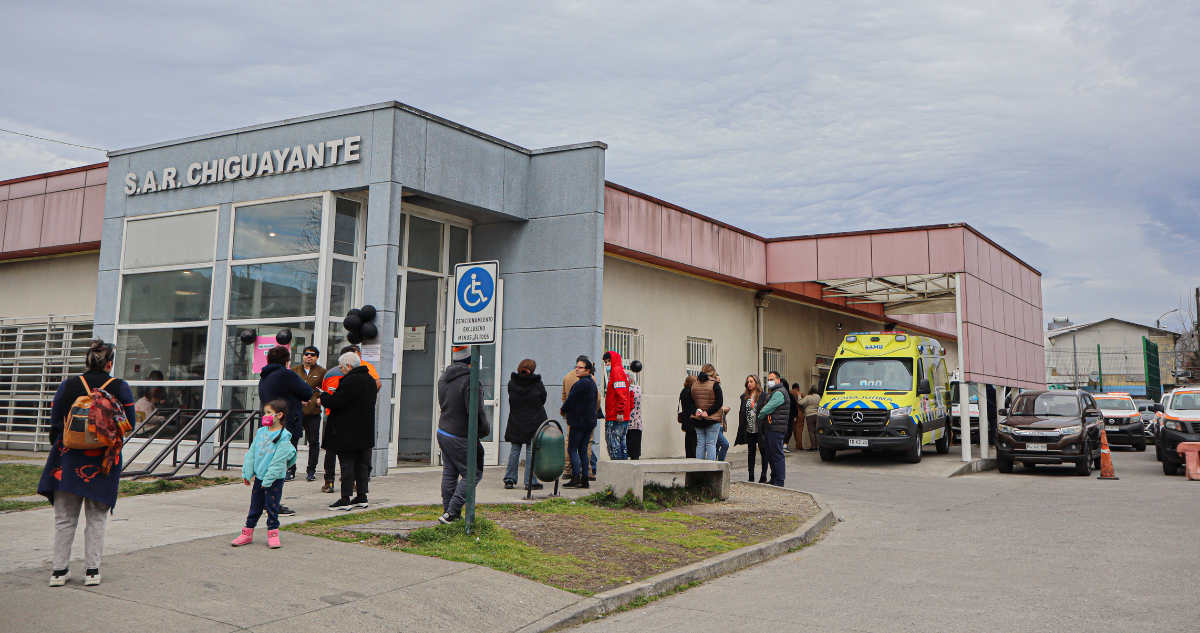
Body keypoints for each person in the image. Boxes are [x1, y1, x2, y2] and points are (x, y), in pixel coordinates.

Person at [38, 339, 136, 587]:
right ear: (110, 363)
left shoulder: (69, 385)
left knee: (64, 519)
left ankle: (59, 572)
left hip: (67, 459)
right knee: (96, 519)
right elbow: (129, 425)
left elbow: (55, 425)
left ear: (87, 361)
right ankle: (92, 571)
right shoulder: (119, 386)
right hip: (103, 461)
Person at [230, 399, 296, 549]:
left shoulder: (284, 436)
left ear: (279, 415)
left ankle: (273, 534)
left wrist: (269, 480)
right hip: (259, 478)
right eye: (264, 412)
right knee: (255, 505)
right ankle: (247, 533)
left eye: (269, 413)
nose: (265, 416)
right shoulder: (261, 432)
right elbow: (252, 453)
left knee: (272, 507)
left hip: (274, 480)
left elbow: (279, 461)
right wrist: (247, 472)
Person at [436, 346, 490, 523]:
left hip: (443, 431)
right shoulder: (471, 381)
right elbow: (475, 411)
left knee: (450, 473)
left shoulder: (443, 379)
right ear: (471, 362)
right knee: (473, 474)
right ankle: (451, 513)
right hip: (460, 435)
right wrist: (483, 430)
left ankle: (449, 511)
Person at [319, 352, 378, 511]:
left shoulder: (350, 380)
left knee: (346, 463)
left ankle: (345, 498)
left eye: (342, 367)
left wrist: (323, 397)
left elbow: (336, 402)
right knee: (361, 463)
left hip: (348, 430)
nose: (341, 370)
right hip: (364, 430)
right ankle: (361, 496)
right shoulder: (369, 380)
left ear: (349, 366)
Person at [257, 346, 312, 512]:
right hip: (286, 425)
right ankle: (273, 503)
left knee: (269, 465)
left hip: (270, 425)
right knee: (280, 467)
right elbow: (307, 392)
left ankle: (265, 501)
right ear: (286, 360)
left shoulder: (264, 376)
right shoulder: (286, 374)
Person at [503, 359, 548, 491]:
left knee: (514, 449)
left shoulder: (512, 383)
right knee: (530, 451)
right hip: (533, 421)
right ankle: (530, 482)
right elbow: (543, 399)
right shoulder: (537, 384)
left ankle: (509, 480)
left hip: (516, 420)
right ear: (533, 370)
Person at [561, 357, 598, 488]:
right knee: (583, 449)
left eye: (580, 367)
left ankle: (576, 476)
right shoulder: (592, 382)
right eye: (576, 366)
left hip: (578, 422)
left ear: (587, 370)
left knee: (572, 449)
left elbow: (570, 400)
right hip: (589, 422)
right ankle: (585, 478)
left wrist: (563, 410)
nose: (577, 369)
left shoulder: (581, 383)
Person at [291, 346, 326, 482]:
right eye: (307, 354)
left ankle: (311, 470)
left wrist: (320, 400)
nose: (309, 356)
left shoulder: (322, 372)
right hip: (296, 412)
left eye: (312, 355)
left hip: (313, 412)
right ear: (303, 356)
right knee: (292, 441)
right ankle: (291, 469)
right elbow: (289, 388)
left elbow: (326, 389)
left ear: (317, 357)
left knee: (313, 442)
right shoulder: (294, 371)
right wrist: (297, 400)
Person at [756, 371, 791, 486]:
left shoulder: (779, 393)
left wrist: (761, 414)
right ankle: (774, 479)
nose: (769, 382)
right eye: (768, 379)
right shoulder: (775, 392)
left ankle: (779, 481)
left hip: (776, 428)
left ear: (778, 380)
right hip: (772, 427)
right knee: (771, 455)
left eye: (772, 379)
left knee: (776, 455)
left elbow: (767, 409)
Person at [734, 374, 768, 482]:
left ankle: (763, 475)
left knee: (763, 450)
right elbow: (742, 412)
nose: (749, 384)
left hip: (760, 427)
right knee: (751, 451)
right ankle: (751, 475)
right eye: (748, 382)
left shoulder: (764, 395)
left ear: (757, 382)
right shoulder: (745, 396)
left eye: (751, 381)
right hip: (749, 427)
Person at [601, 351, 632, 461]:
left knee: (614, 446)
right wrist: (626, 410)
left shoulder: (616, 371)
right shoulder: (623, 371)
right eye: (605, 362)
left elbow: (621, 393)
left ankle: (617, 474)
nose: (607, 364)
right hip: (623, 415)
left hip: (615, 416)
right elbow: (629, 393)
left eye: (609, 361)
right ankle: (624, 472)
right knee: (622, 445)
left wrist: (619, 411)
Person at [691, 365, 724, 460]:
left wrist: (696, 411)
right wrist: (708, 412)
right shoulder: (715, 384)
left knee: (700, 444)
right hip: (712, 418)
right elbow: (719, 402)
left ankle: (699, 469)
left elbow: (690, 401)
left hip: (698, 418)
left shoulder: (695, 384)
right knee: (711, 444)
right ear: (713, 372)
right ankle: (711, 470)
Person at [713, 370, 731, 461]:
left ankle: (717, 468)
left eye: (720, 380)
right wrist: (722, 409)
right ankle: (720, 465)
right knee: (725, 444)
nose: (719, 382)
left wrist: (724, 411)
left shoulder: (719, 391)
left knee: (717, 446)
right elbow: (712, 408)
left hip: (721, 424)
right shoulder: (712, 391)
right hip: (715, 424)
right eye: (717, 380)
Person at [679, 375, 698, 458]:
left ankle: (689, 456)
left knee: (688, 440)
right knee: (693, 441)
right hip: (692, 419)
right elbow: (693, 406)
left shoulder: (683, 391)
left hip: (685, 418)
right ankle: (692, 458)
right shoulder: (691, 392)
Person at [799, 386, 822, 451]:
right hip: (817, 414)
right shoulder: (818, 397)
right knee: (817, 430)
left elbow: (801, 403)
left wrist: (799, 397)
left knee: (811, 431)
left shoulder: (808, 397)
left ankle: (813, 446)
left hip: (809, 415)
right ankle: (818, 446)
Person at [627, 382, 644, 460]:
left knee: (627, 444)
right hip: (637, 421)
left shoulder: (626, 388)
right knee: (636, 444)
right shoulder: (638, 388)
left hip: (627, 420)